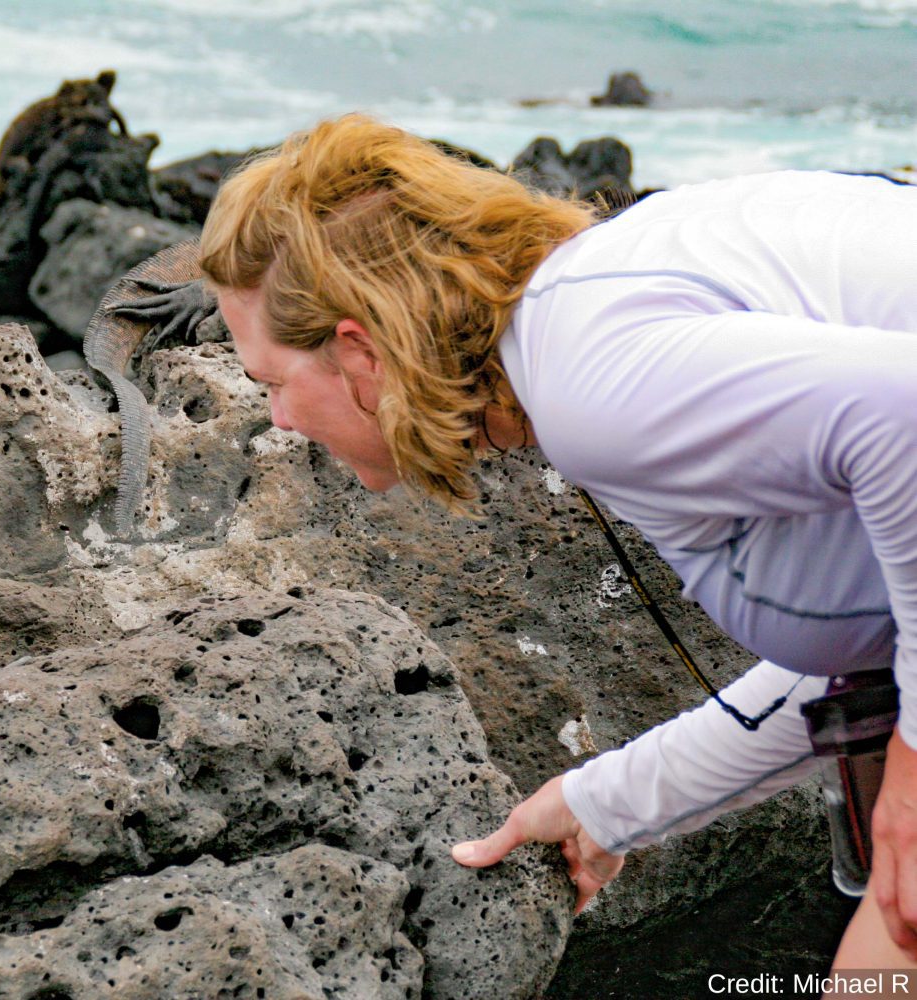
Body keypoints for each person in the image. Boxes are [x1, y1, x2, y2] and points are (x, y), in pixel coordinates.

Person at [194, 113, 917, 971]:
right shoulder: (593, 309)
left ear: (361, 352)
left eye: (272, 382)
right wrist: (603, 803)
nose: (277, 420)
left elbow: (904, 416)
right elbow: (875, 634)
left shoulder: (590, 380)